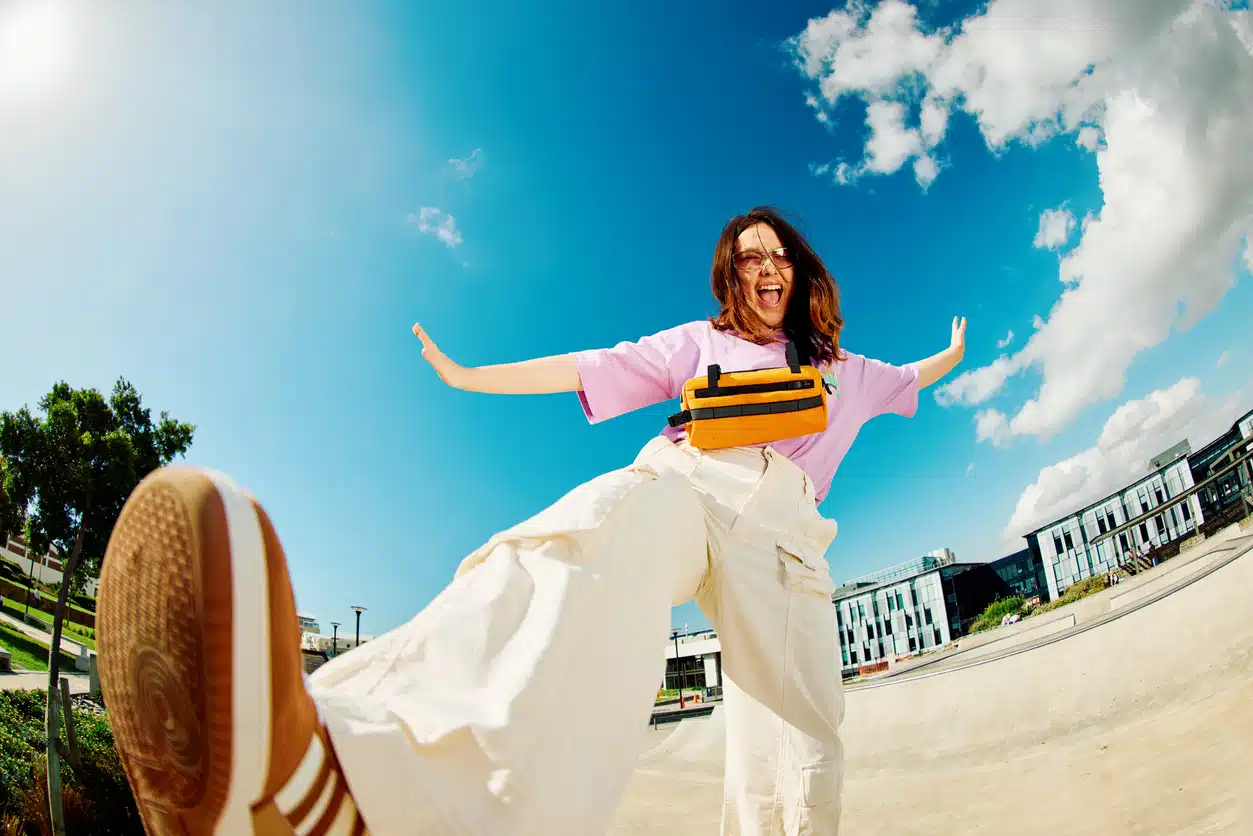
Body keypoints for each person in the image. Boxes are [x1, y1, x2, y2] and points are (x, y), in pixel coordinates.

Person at [95, 206, 967, 836]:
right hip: (685, 480)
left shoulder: (840, 367)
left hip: (781, 532)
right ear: (730, 277)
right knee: (575, 549)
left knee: (794, 738)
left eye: (776, 252)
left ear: (799, 268)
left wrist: (954, 352)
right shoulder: (697, 343)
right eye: (746, 258)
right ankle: (340, 769)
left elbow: (911, 377)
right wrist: (470, 375)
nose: (763, 266)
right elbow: (591, 364)